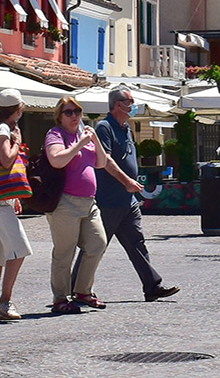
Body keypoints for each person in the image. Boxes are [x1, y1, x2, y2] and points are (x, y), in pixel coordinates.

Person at [42, 96, 141, 315]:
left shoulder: (83, 133)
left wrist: (93, 139)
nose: (74, 116)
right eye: (69, 112)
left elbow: (101, 162)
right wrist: (79, 144)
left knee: (97, 244)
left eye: (77, 111)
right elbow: (56, 160)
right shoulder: (55, 135)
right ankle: (60, 298)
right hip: (65, 202)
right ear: (60, 115)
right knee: (64, 252)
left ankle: (83, 291)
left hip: (89, 202)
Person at [91, 87, 180, 303]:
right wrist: (127, 181)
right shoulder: (104, 127)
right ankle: (75, 288)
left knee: (137, 244)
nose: (133, 105)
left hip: (128, 201)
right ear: (118, 104)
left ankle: (152, 287)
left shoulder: (126, 128)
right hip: (110, 200)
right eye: (130, 101)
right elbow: (106, 160)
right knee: (95, 247)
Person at [0, 89, 33, 322]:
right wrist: (17, 143)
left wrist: (15, 197)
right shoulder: (3, 129)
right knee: (20, 249)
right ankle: (4, 301)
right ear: (17, 109)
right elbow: (6, 159)